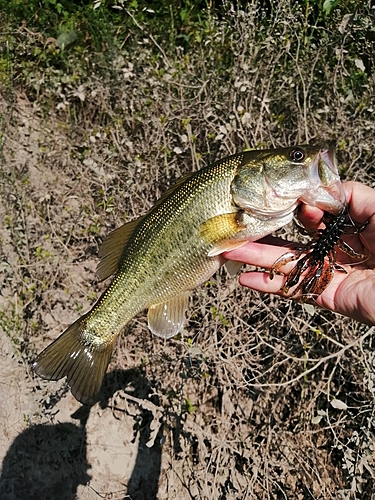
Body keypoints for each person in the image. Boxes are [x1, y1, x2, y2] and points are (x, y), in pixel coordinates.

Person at [223, 181, 375, 326]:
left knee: (301, 264)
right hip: (327, 242)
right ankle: (292, 286)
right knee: (300, 259)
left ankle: (293, 287)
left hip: (329, 241)